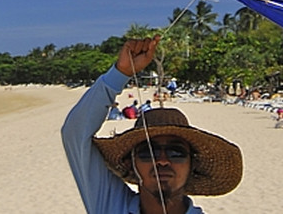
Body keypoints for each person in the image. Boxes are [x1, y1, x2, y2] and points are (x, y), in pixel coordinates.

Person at [62, 35, 242, 214]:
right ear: (130, 163)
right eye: (148, 152)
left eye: (176, 152)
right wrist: (120, 73)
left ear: (192, 164)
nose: (162, 161)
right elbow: (75, 135)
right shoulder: (111, 204)